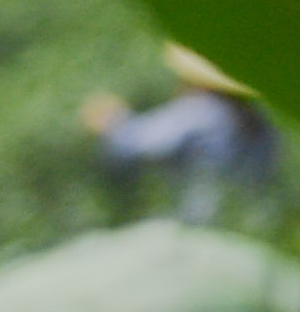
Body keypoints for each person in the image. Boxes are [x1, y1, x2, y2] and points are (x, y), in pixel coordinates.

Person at [80, 46, 280, 219]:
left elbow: (138, 143)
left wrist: (113, 121)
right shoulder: (259, 119)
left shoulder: (203, 110)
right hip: (252, 221)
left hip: (206, 223)